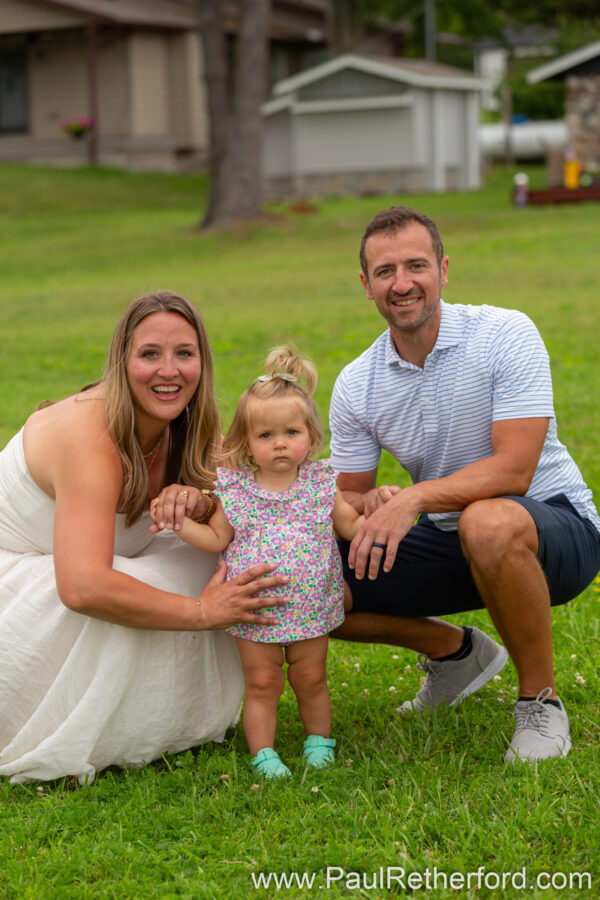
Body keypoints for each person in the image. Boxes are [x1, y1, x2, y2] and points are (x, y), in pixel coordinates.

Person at [329, 206, 600, 763]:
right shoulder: (357, 382)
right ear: (366, 285)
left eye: (415, 265)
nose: (401, 284)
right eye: (385, 272)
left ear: (443, 270)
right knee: (307, 570)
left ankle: (541, 703)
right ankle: (457, 657)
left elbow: (515, 470)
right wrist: (370, 500)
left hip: (553, 526)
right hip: (454, 537)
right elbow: (344, 496)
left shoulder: (505, 332)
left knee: (489, 519)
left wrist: (414, 497)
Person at [0, 291, 291, 785]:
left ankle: (161, 717)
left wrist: (199, 500)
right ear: (121, 362)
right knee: (161, 585)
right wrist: (204, 613)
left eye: (184, 353)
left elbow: (251, 499)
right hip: (22, 577)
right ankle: (86, 723)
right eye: (149, 354)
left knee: (218, 558)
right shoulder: (90, 432)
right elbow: (83, 587)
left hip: (92, 559)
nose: (169, 371)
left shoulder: (190, 423)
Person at [153, 347, 364, 779]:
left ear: (311, 435)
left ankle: (318, 741)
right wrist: (179, 526)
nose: (280, 443)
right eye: (265, 436)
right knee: (263, 683)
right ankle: (264, 754)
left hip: (311, 607)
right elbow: (215, 538)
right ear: (247, 445)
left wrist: (381, 514)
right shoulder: (237, 492)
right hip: (255, 611)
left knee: (311, 679)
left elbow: (351, 527)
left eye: (291, 431)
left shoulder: (322, 485)